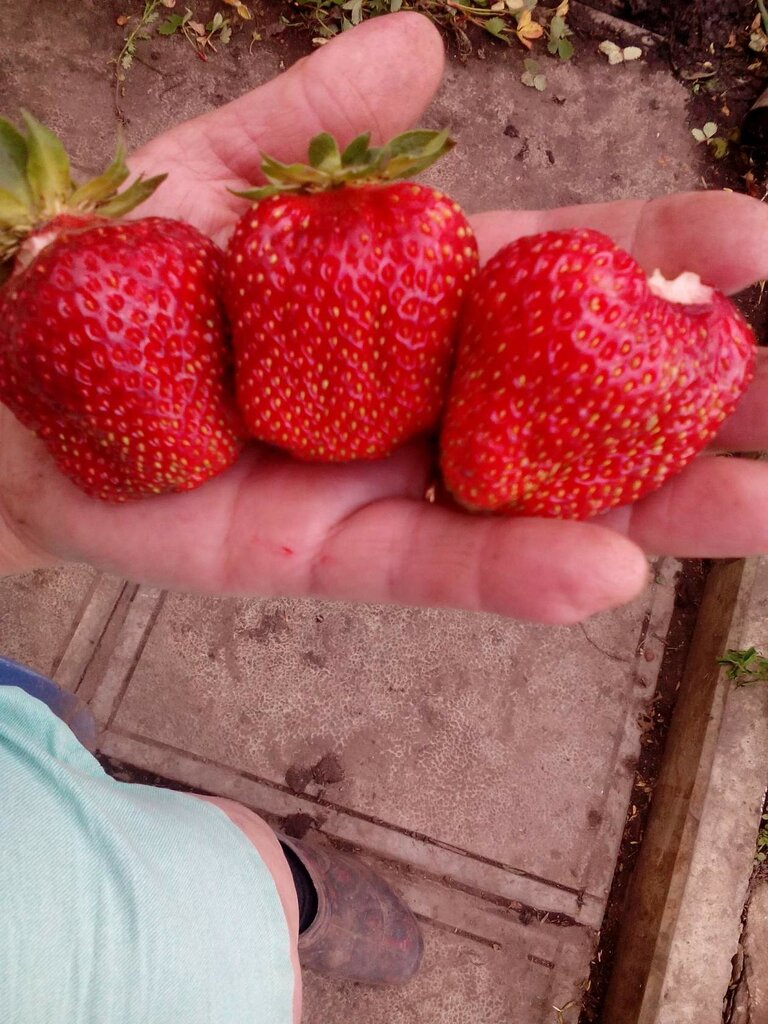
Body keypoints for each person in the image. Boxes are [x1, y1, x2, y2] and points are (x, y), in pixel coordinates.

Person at [2, 11, 768, 1022]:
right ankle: (275, 883)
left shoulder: (256, 249)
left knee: (70, 770)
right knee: (224, 904)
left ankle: (245, 858)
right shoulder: (147, 279)